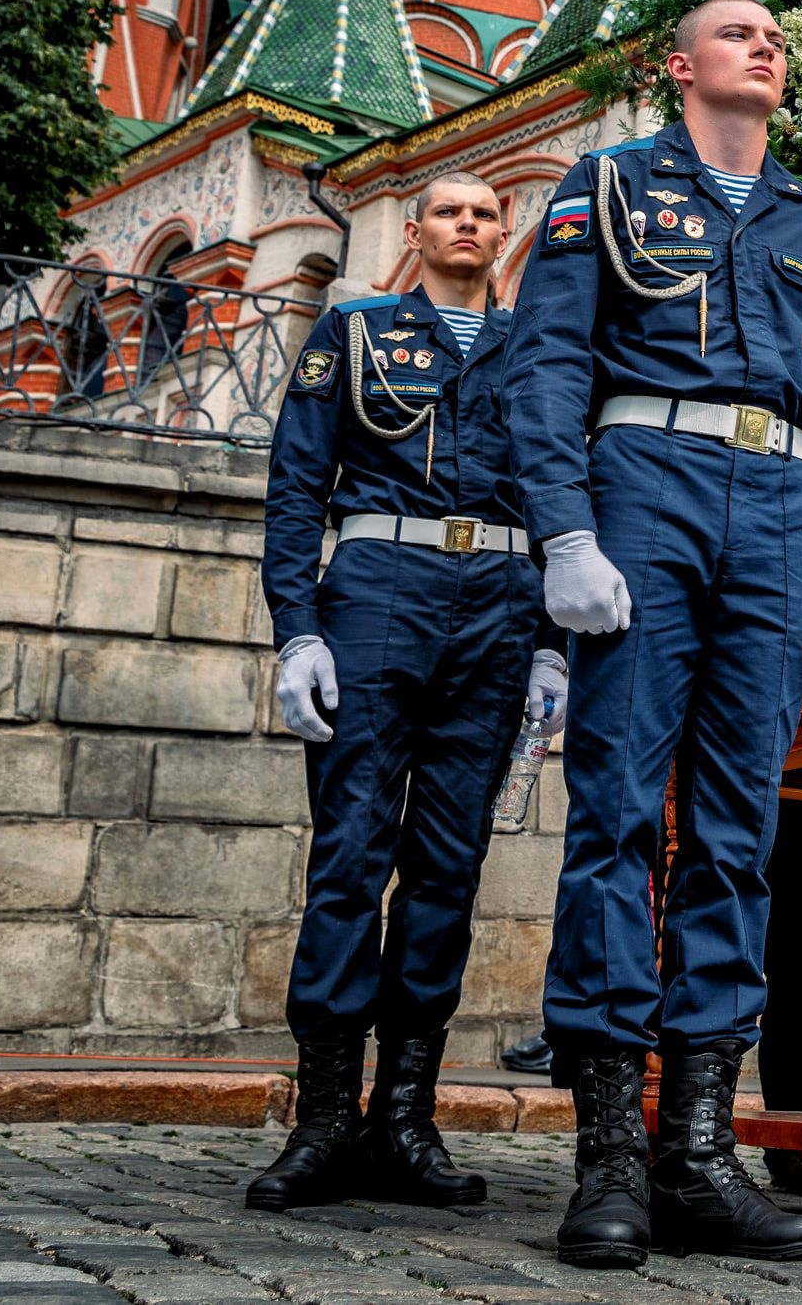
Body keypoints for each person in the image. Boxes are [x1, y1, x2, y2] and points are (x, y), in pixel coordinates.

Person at [506, 0, 802, 1267]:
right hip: (644, 486)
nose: (765, 46)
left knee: (739, 829)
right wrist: (563, 529)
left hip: (778, 512)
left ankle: (698, 1154)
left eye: (776, 36)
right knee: (617, 813)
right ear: (682, 67)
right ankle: (610, 1155)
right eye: (737, 33)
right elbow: (549, 361)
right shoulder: (606, 186)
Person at [252, 173, 565, 1212]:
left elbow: (575, 491)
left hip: (504, 606)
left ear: (501, 230)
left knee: (447, 866)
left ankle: (405, 1117)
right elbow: (298, 486)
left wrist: (555, 646)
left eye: (484, 211)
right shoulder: (355, 333)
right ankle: (325, 1119)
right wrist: (296, 629)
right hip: (380, 592)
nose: (467, 223)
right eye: (447, 211)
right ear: (417, 231)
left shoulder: (539, 345)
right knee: (350, 854)